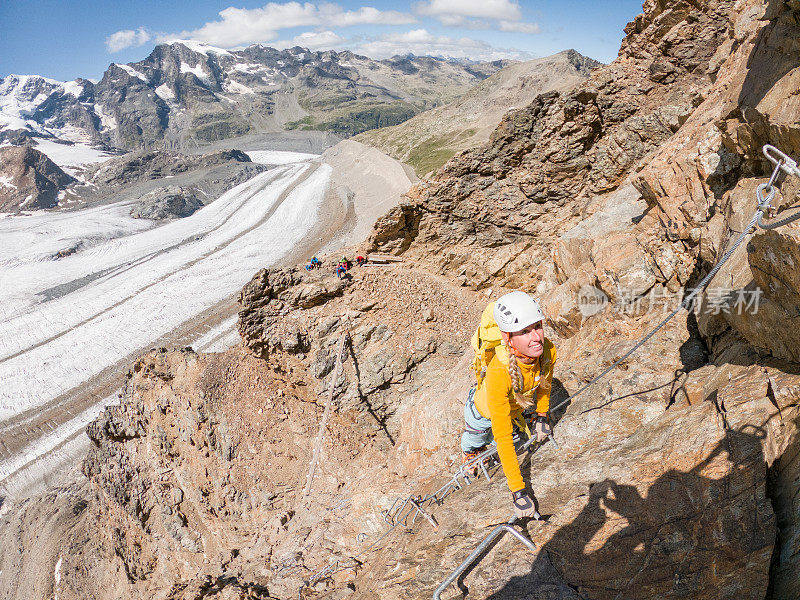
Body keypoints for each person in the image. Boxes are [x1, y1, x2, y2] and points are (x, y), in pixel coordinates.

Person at [461, 291, 556, 520]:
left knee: (504, 438)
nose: (536, 337)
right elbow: (502, 437)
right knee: (477, 438)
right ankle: (469, 454)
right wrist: (518, 492)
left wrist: (542, 415)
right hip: (481, 412)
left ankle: (478, 450)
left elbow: (544, 384)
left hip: (512, 410)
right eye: (524, 332)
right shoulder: (499, 372)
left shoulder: (548, 351)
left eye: (537, 327)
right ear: (507, 338)